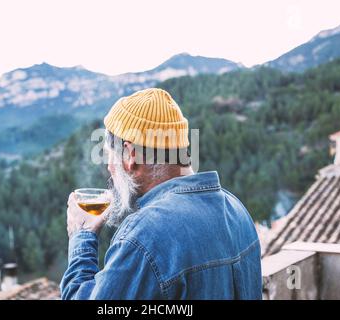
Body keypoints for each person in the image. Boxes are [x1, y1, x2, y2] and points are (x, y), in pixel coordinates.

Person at [61, 88, 262, 299]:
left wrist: (81, 236)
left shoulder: (144, 235)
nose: (110, 167)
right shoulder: (236, 209)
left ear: (130, 155)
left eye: (110, 156)